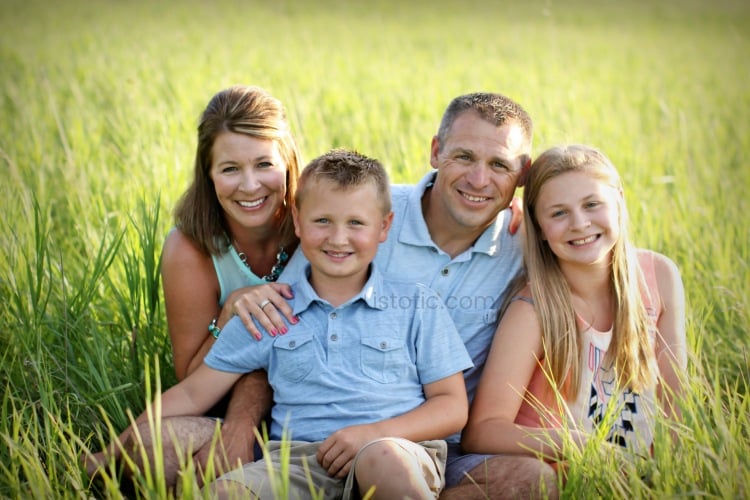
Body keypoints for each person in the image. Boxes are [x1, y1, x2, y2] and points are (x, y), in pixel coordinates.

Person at [87, 149, 473, 499]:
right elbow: (191, 395)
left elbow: (452, 406)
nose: (338, 238)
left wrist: (371, 434)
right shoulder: (270, 309)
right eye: (322, 220)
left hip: (395, 452)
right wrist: (110, 452)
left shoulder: (416, 304)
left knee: (383, 460)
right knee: (224, 493)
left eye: (356, 222)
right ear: (298, 223)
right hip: (298, 462)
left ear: (384, 227)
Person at [273, 92, 558, 498]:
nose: (479, 180)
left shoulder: (529, 246)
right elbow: (273, 323)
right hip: (327, 439)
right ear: (436, 151)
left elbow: (600, 247)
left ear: (522, 174)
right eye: (464, 157)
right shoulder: (360, 219)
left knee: (534, 482)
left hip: (446, 449)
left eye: (499, 165)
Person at [462, 145, 687, 483]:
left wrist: (670, 475)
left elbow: (674, 401)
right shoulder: (534, 310)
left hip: (639, 477)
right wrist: (578, 445)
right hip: (561, 477)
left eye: (592, 204)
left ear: (619, 201)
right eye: (558, 213)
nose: (580, 224)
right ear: (538, 227)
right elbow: (482, 432)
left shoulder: (659, 276)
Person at [158, 84, 302, 483]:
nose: (250, 185)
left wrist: (242, 424)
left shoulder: (318, 227)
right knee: (152, 456)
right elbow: (192, 381)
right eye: (230, 169)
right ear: (209, 174)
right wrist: (229, 311)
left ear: (288, 161)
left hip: (311, 415)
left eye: (264, 164)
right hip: (216, 407)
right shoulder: (190, 249)